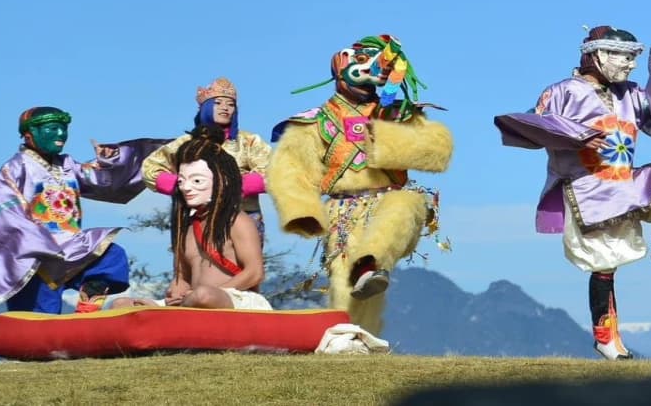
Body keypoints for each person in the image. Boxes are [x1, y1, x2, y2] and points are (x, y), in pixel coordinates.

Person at [494, 26, 651, 360]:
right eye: (622, 57)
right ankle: (606, 337)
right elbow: (533, 126)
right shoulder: (562, 91)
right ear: (596, 55)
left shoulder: (630, 93)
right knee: (605, 262)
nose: (628, 65)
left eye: (632, 59)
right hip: (588, 188)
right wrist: (578, 135)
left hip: (626, 180)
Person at [267, 35, 453, 336]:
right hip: (342, 211)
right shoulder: (316, 121)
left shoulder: (395, 112)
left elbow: (439, 148)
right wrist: (302, 210)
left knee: (405, 206)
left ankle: (371, 264)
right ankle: (350, 344)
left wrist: (386, 137)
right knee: (344, 284)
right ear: (342, 67)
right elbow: (288, 169)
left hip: (389, 198)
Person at [0, 107, 166, 313]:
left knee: (110, 255)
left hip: (69, 245)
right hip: (32, 253)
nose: (61, 134)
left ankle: (88, 304)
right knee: (40, 317)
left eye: (63, 129)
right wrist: (38, 243)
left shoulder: (66, 165)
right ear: (29, 134)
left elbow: (98, 179)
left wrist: (109, 161)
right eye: (53, 128)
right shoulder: (14, 169)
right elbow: (7, 214)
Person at [119, 125, 268, 310]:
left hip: (236, 301)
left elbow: (254, 273)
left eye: (197, 181)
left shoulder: (237, 220)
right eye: (182, 181)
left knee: (204, 295)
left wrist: (204, 295)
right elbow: (181, 279)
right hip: (190, 303)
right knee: (122, 304)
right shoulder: (186, 227)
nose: (186, 188)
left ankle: (184, 309)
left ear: (221, 180)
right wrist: (175, 293)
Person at [142, 77, 272, 241]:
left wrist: (231, 187)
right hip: (196, 216)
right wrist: (186, 187)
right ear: (205, 107)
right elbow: (150, 169)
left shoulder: (249, 141)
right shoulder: (186, 143)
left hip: (241, 215)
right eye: (218, 103)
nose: (225, 108)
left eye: (231, 104)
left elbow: (274, 171)